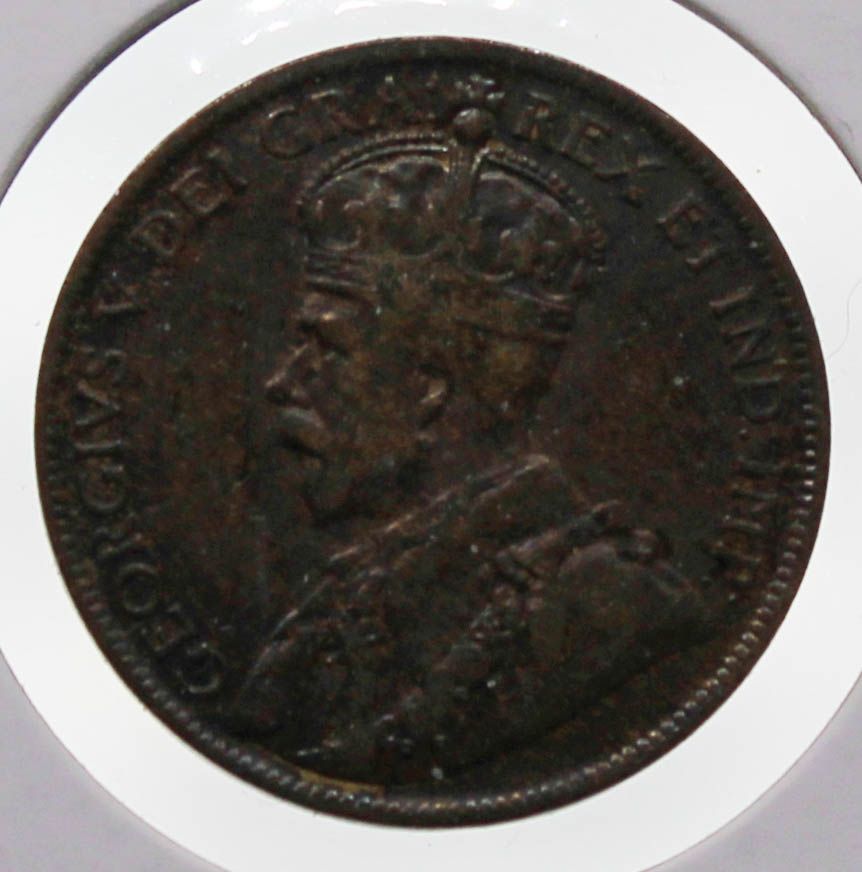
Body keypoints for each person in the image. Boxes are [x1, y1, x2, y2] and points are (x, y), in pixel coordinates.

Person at [228, 114, 708, 783]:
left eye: (326, 349)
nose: (283, 383)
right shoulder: (354, 586)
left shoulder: (605, 598)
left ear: (431, 388)